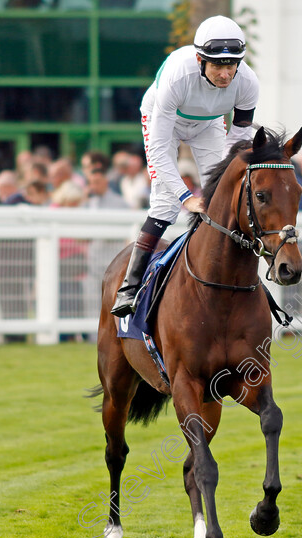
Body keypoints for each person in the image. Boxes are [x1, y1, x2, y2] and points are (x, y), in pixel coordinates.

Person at [111, 15, 259, 317]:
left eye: (232, 65)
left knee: (223, 196)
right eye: (217, 65)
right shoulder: (178, 75)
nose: (225, 74)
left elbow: (239, 142)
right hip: (163, 119)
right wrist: (185, 197)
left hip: (208, 126)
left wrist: (219, 184)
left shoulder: (248, 83)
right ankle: (130, 286)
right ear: (199, 59)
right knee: (165, 202)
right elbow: (158, 149)